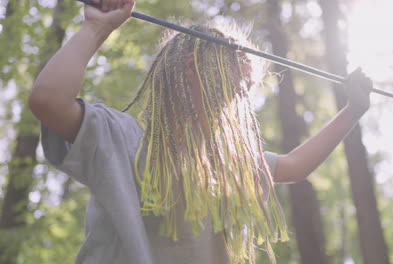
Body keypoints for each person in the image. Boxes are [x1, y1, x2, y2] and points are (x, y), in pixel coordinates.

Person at [29, 0, 373, 263]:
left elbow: (297, 164)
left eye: (242, 92)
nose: (236, 104)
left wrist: (353, 111)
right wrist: (96, 29)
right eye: (229, 86)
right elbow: (48, 101)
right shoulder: (122, 139)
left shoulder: (229, 170)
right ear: (192, 67)